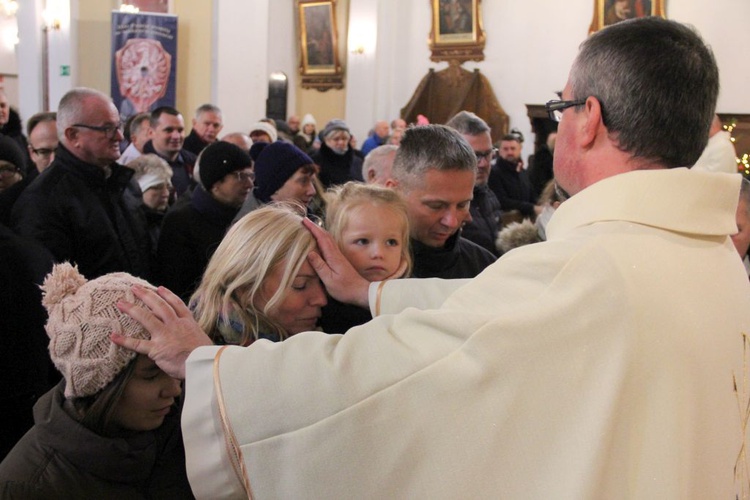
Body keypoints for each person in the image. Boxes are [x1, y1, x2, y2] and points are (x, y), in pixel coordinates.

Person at [115, 18, 748, 498]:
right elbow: (493, 312)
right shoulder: (708, 251)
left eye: (561, 107)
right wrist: (375, 294)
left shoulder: (584, 270)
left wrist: (213, 370)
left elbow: (380, 381)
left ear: (588, 120)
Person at [0, 263, 191, 498]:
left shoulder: (182, 436)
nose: (174, 389)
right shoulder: (29, 485)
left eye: (173, 369)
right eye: (151, 375)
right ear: (100, 385)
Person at [12, 87, 149, 280]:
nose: (119, 136)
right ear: (73, 135)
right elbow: (49, 287)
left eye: (119, 125)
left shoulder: (123, 183)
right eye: (107, 129)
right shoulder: (42, 200)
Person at [192, 204, 327, 346]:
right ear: (245, 288)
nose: (321, 299)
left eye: (323, 283)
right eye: (301, 285)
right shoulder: (201, 359)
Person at [386, 125, 496, 278]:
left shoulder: (485, 268)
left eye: (462, 205)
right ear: (394, 192)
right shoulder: (358, 270)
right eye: (436, 206)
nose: (451, 222)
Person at [157, 141, 253, 302]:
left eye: (250, 175)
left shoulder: (242, 215)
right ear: (215, 183)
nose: (249, 184)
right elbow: (176, 287)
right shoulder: (180, 222)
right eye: (240, 176)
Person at [319, 182, 410, 333]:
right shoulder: (321, 305)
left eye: (391, 242)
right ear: (334, 244)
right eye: (362, 241)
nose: (378, 253)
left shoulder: (412, 298)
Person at [446, 110, 503, 256]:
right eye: (474, 155)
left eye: (488, 154)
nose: (483, 164)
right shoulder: (444, 204)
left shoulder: (488, 194)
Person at [234, 141, 318, 222]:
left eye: (312, 182)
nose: (312, 191)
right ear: (275, 187)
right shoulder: (252, 232)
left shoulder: (307, 218)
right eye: (303, 181)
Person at [127, 154, 173, 278]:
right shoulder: (130, 224)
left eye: (167, 187)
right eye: (157, 187)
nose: (165, 193)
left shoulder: (171, 219)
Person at [142, 106, 197, 198]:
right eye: (169, 130)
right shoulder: (140, 167)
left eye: (180, 130)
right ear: (151, 133)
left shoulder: (193, 163)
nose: (176, 136)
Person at [488, 133, 541, 219]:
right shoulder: (494, 173)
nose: (509, 152)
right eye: (505, 149)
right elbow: (501, 201)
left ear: (519, 150)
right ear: (500, 151)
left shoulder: (522, 172)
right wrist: (531, 208)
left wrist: (541, 204)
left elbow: (532, 195)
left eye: (513, 148)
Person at [312, 119, 364, 187]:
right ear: (326, 140)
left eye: (344, 139)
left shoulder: (357, 161)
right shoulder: (315, 161)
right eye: (336, 139)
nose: (341, 142)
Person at [26, 112, 58, 176]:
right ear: (32, 153)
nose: (53, 160)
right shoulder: (26, 186)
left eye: (60, 151)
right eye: (44, 152)